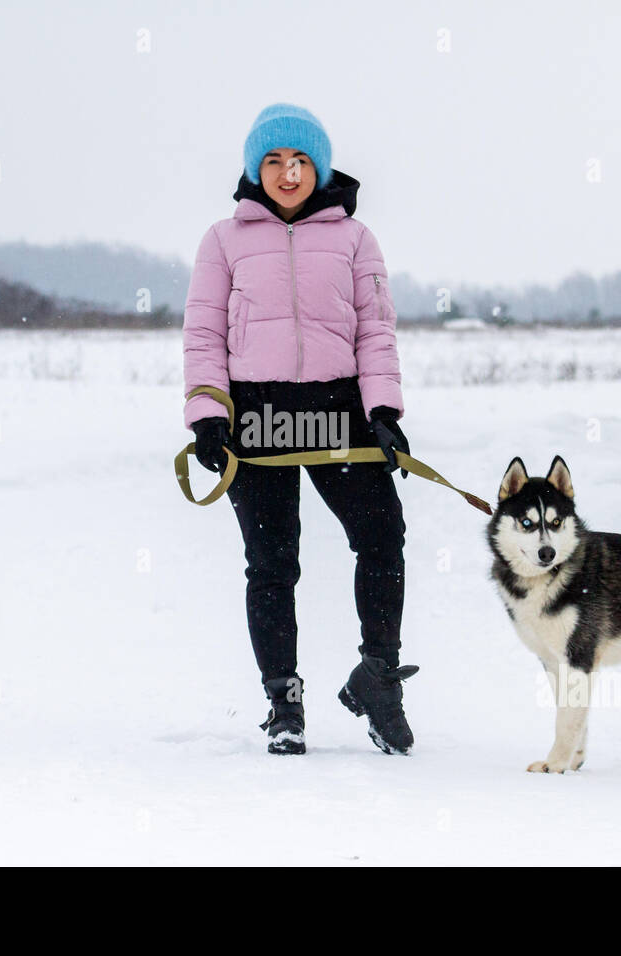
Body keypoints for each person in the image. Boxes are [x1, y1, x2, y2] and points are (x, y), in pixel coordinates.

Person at [182, 103, 417, 756]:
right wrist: (208, 415)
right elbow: (203, 333)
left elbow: (375, 330)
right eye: (275, 162)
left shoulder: (354, 239)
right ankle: (283, 701)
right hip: (257, 416)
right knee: (272, 562)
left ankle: (379, 676)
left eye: (302, 161)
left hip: (340, 411)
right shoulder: (223, 240)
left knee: (382, 536)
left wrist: (384, 412)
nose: (288, 174)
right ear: (256, 169)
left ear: (321, 166)